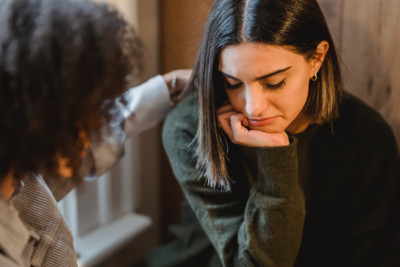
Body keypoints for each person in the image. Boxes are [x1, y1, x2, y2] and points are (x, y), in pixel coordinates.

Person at [150, 0, 400, 266]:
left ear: (316, 58)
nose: (252, 108)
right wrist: (276, 168)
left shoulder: (366, 139)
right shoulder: (191, 128)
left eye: (273, 83)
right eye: (232, 83)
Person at [0, 0, 190, 266]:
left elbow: (111, 125)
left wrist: (171, 85)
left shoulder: (20, 170)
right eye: (88, 114)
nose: (94, 131)